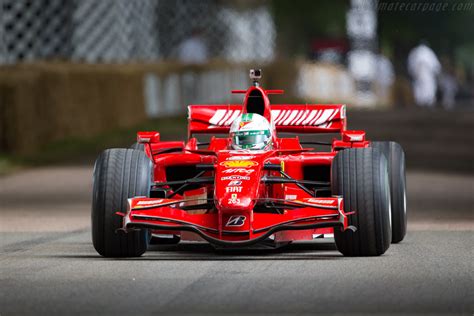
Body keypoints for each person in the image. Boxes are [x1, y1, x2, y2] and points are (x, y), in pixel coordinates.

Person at [407, 42, 441, 107]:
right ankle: (426, 101)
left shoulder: (415, 51)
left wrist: (412, 72)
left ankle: (420, 102)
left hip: (418, 72)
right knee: (428, 86)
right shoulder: (428, 51)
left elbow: (410, 64)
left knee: (419, 86)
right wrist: (436, 71)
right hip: (426, 72)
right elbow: (434, 64)